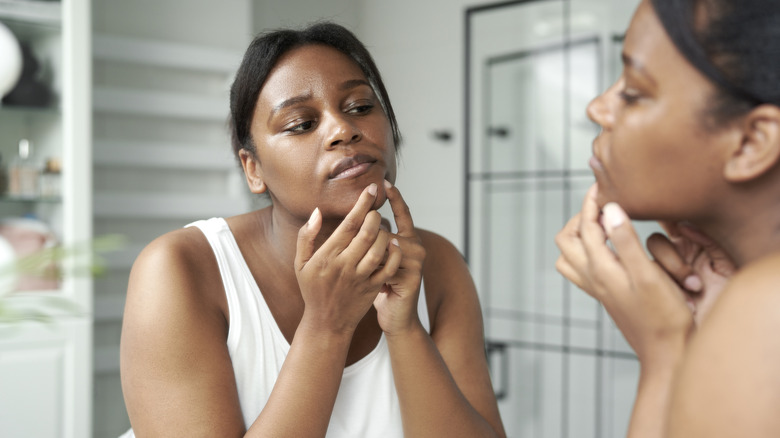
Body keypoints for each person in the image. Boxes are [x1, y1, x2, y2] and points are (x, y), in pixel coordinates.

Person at [119, 22, 506, 438]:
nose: (344, 130)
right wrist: (326, 325)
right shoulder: (179, 270)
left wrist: (406, 328)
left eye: (360, 107)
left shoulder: (437, 264)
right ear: (253, 169)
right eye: (302, 123)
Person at [555, 0, 780, 436]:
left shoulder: (766, 305)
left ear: (751, 142)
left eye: (634, 93)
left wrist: (665, 353)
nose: (597, 109)